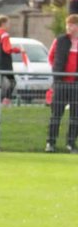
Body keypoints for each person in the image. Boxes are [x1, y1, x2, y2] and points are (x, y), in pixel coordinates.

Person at [45, 14, 78, 152]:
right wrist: (58, 72)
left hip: (76, 85)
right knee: (56, 114)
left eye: (72, 24)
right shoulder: (60, 40)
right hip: (61, 83)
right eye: (67, 24)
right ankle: (50, 143)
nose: (68, 27)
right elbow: (51, 57)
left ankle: (71, 143)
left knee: (75, 116)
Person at [0, 14, 21, 105]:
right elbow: (7, 49)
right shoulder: (4, 34)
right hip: (5, 62)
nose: (9, 26)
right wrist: (19, 50)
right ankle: (6, 99)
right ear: (3, 23)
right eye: (8, 23)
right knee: (12, 81)